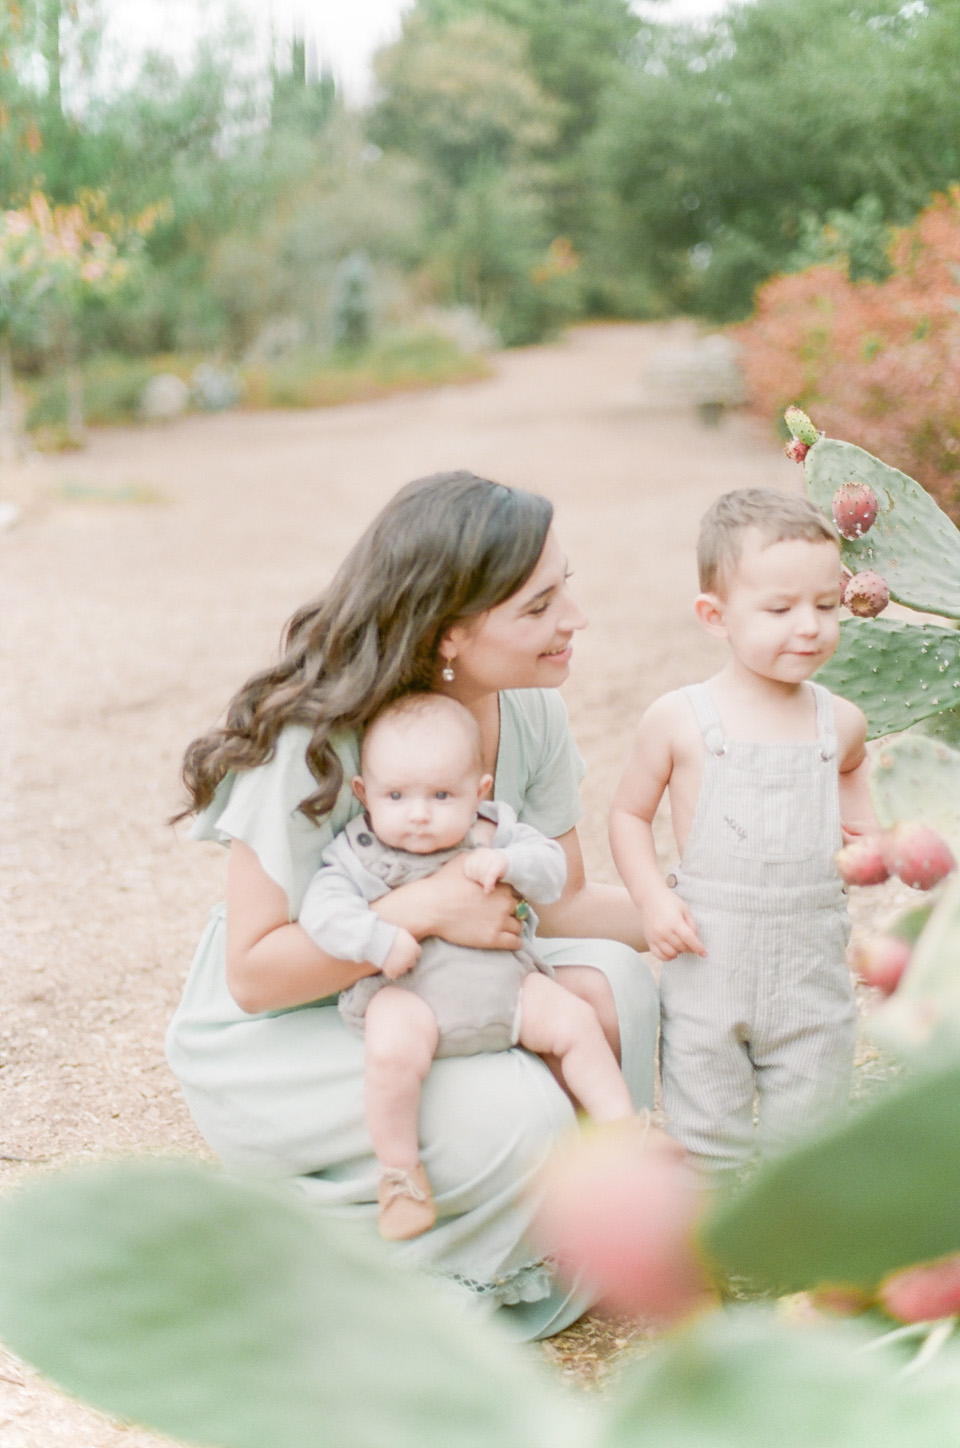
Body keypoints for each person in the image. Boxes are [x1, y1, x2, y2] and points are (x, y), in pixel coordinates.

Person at [166, 469, 659, 1340]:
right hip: (298, 1022)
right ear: (452, 633)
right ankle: (375, 1255)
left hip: (456, 982)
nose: (574, 619)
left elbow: (570, 902)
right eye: (541, 606)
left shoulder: (528, 716)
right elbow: (254, 975)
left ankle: (592, 1227)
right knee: (521, 1111)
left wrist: (706, 910)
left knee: (617, 985)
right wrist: (426, 908)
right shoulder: (309, 741)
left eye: (566, 589)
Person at [299, 691, 636, 1242]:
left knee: (574, 1019)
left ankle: (620, 1135)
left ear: (478, 792)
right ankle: (401, 1175)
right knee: (389, 1050)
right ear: (364, 795)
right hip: (411, 995)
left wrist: (510, 861)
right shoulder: (358, 851)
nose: (419, 813)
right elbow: (323, 912)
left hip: (506, 993)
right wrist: (379, 939)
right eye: (397, 795)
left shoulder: (492, 829)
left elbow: (552, 872)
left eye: (440, 794)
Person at [609, 489, 878, 1178]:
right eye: (781, 609)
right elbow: (628, 815)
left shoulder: (839, 721)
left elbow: (854, 773)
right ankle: (711, 1256)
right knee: (707, 1130)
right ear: (715, 616)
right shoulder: (681, 719)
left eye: (826, 605)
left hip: (811, 967)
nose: (810, 627)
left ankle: (799, 1258)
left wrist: (865, 835)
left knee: (810, 1137)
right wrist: (651, 900)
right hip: (710, 957)